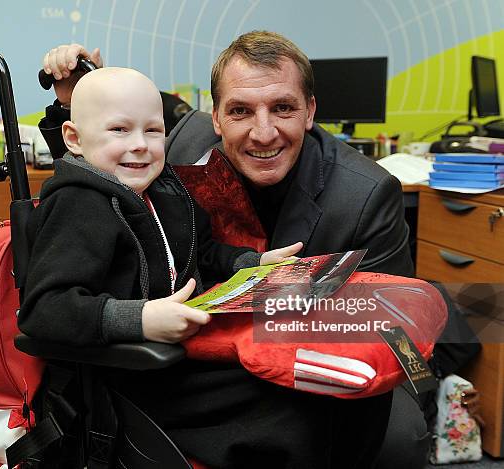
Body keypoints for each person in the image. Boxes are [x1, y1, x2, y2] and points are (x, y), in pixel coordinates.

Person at [38, 32, 420, 469]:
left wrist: (275, 293)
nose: (263, 132)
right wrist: (74, 101)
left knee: (393, 432)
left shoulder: (366, 193)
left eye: (283, 108)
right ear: (215, 117)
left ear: (310, 111)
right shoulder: (175, 150)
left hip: (311, 343)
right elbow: (91, 192)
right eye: (240, 111)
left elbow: (394, 327)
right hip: (177, 356)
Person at [20, 67, 302, 346]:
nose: (141, 144)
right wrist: (140, 320)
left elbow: (201, 252)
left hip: (181, 348)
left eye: (153, 130)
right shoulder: (77, 203)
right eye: (120, 130)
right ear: (74, 139)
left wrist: (254, 264)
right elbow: (45, 308)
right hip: (122, 376)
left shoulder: (164, 190)